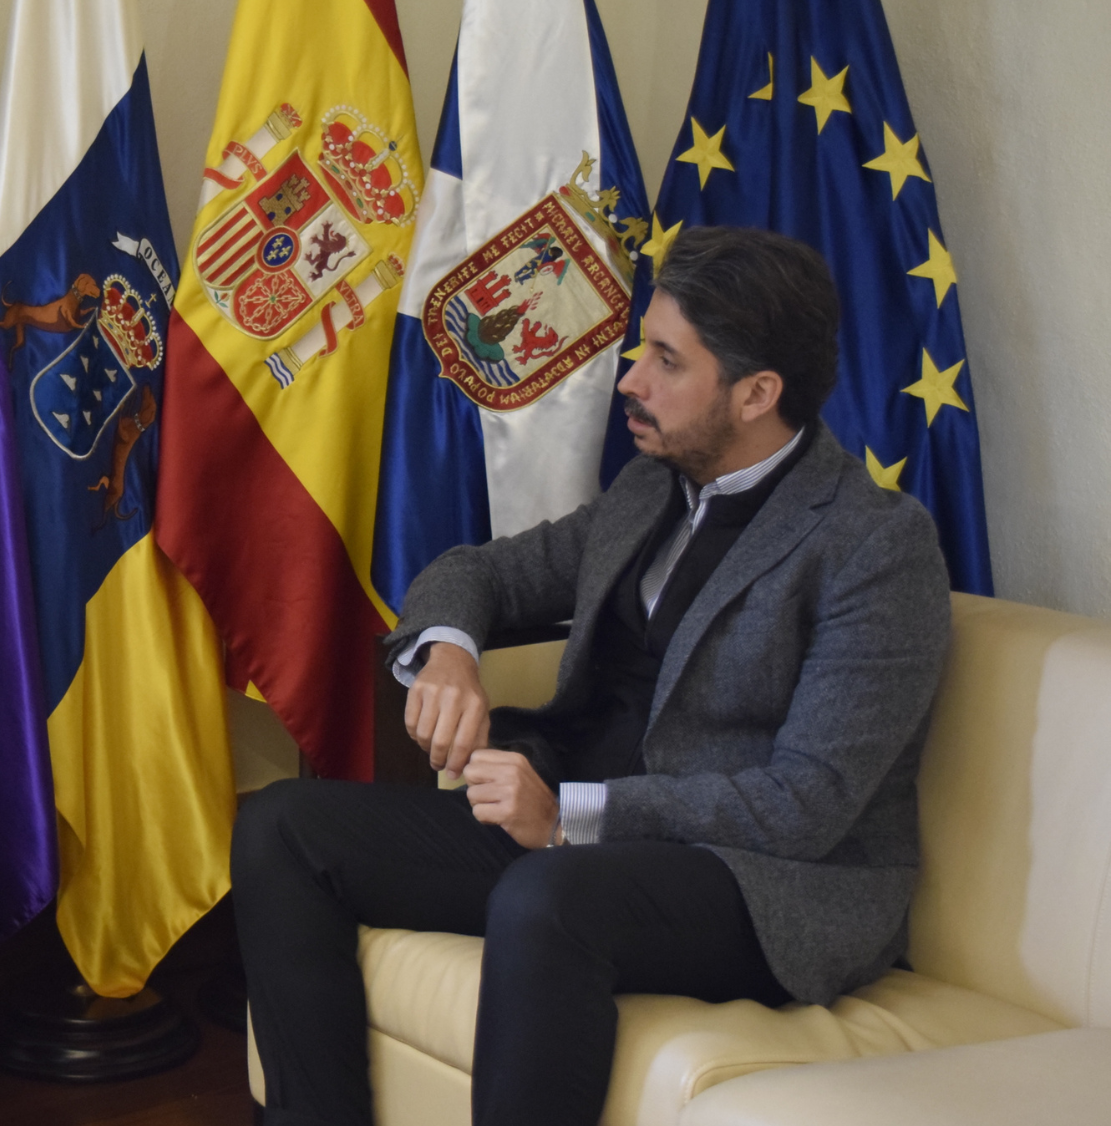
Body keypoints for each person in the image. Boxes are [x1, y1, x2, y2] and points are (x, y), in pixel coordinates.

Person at [233, 227, 954, 1126]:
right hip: (573, 828)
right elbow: (479, 571)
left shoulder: (875, 547)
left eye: (665, 361)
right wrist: (450, 652)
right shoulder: (652, 487)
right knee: (282, 830)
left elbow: (807, 804)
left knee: (549, 894)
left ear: (757, 394)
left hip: (758, 880)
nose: (630, 381)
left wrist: (576, 815)